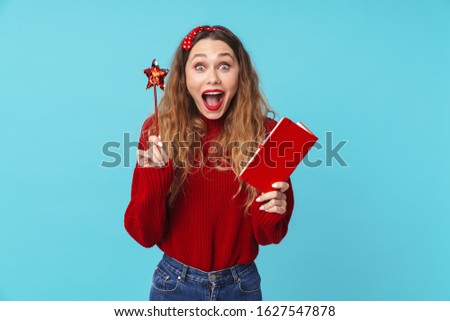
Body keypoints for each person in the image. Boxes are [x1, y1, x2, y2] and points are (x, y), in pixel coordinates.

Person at [124, 25, 294, 301]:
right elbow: (144, 235)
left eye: (224, 66)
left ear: (241, 75)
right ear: (184, 77)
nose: (213, 78)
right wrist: (156, 176)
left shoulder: (268, 135)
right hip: (175, 284)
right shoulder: (158, 132)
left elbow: (268, 236)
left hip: (241, 286)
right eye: (200, 66)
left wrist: (275, 210)